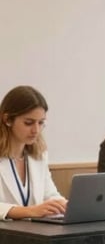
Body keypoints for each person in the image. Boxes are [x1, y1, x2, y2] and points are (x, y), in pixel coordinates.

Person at [0, 85, 67, 220]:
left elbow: (50, 195)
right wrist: (29, 211)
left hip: (33, 236)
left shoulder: (39, 155)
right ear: (7, 120)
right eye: (28, 123)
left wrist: (66, 205)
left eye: (41, 123)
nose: (36, 130)